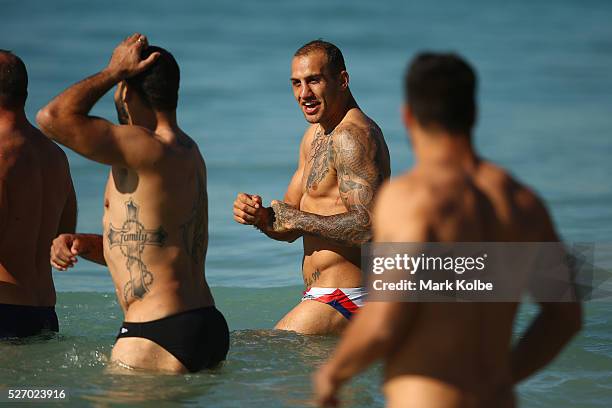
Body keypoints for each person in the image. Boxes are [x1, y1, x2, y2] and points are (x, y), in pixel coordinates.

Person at [313, 53, 582, 407]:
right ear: (473, 113)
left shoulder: (410, 198)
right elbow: (566, 316)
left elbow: (384, 321)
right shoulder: (522, 201)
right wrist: (503, 377)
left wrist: (333, 375)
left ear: (408, 116)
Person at [39, 34, 228, 373]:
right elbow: (159, 246)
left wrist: (113, 71)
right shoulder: (187, 151)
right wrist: (84, 244)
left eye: (120, 84)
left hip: (157, 332)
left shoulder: (144, 145)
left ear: (126, 91)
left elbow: (52, 118)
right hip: (205, 324)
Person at [233, 40, 390, 334]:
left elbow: (369, 227)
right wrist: (262, 217)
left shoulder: (353, 137)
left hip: (348, 298)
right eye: (296, 83)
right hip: (323, 297)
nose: (304, 94)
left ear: (342, 80)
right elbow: (289, 224)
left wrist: (298, 219)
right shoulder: (313, 136)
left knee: (251, 352)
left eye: (314, 81)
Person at [0, 50, 76, 339]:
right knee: (34, 388)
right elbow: (65, 239)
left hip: (3, 312)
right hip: (45, 313)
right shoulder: (55, 155)